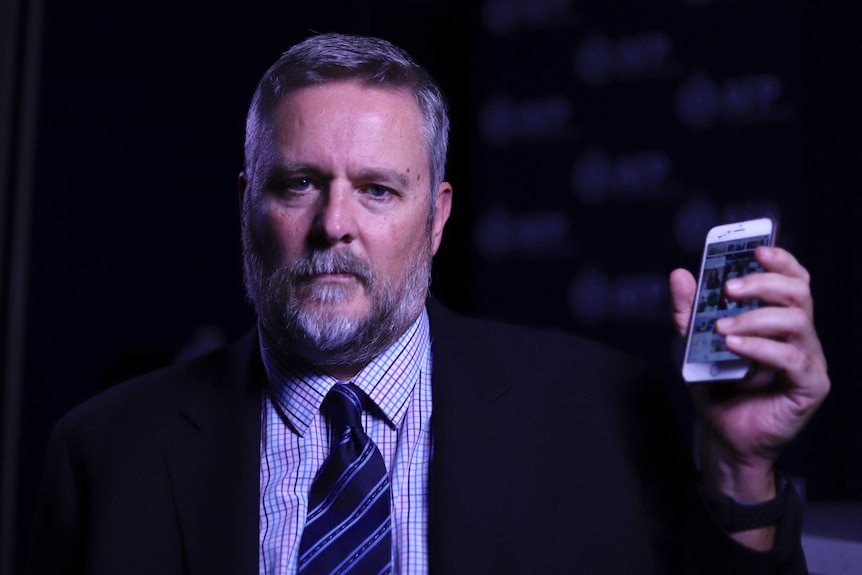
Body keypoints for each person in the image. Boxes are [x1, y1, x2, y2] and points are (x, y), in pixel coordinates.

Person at [30, 33, 829, 574]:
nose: (334, 225)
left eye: (377, 190)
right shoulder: (105, 455)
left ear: (437, 215)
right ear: (247, 205)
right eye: (298, 183)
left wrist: (739, 466)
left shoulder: (605, 415)